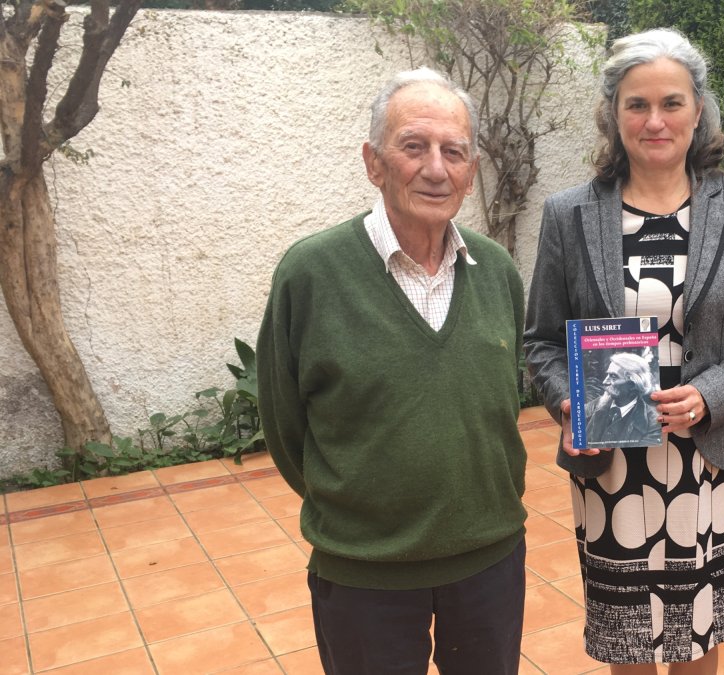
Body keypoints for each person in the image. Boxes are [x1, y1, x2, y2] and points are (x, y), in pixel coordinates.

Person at [524, 28, 724, 674]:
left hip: (714, 459)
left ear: (698, 111)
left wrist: (709, 394)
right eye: (637, 104)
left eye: (671, 103)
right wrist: (569, 402)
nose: (655, 121)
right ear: (613, 114)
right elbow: (541, 339)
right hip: (615, 467)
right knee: (630, 640)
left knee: (699, 635)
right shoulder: (569, 214)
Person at [257, 67, 527, 675]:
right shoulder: (310, 273)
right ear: (373, 163)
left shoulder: (497, 271)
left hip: (489, 563)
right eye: (413, 146)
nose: (435, 169)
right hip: (364, 573)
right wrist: (359, 510)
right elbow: (284, 424)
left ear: (471, 171)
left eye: (453, 151)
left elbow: (498, 402)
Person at [584, 352, 661, 447]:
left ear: (633, 384)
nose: (604, 382)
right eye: (607, 375)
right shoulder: (596, 405)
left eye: (613, 377)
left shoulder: (652, 424)